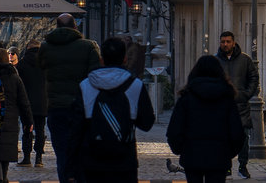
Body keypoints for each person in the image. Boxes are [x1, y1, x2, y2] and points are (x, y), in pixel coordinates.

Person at [75, 36, 156, 183]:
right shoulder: (135, 86)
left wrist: (71, 167)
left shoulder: (86, 85)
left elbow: (75, 129)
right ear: (124, 59)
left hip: (93, 160)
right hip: (124, 161)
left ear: (101, 59)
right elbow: (147, 123)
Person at [41, 12, 101, 183]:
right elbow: (95, 76)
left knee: (61, 152)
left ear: (57, 27)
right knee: (82, 150)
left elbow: (42, 70)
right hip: (81, 108)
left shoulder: (45, 47)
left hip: (56, 107)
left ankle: (65, 179)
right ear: (75, 27)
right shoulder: (88, 47)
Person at [167, 55, 247, 183]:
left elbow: (174, 131)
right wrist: (228, 153)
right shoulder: (226, 99)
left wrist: (181, 150)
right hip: (219, 157)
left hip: (192, 156)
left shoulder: (186, 98)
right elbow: (237, 132)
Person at [0, 46, 34, 183]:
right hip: (11, 120)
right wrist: (28, 121)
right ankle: (3, 178)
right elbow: (24, 102)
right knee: (5, 154)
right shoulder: (14, 77)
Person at [216, 31, 259, 179]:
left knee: (243, 138)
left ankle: (243, 166)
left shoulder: (245, 60)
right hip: (222, 107)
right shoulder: (216, 61)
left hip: (241, 106)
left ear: (233, 43)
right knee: (223, 139)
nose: (225, 44)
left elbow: (254, 77)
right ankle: (226, 167)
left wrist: (246, 94)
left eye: (228, 41)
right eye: (223, 41)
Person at [15, 41, 48, 167]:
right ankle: (39, 158)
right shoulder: (46, 63)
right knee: (40, 130)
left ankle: (27, 157)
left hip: (26, 102)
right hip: (42, 101)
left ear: (28, 48)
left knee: (27, 129)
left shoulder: (22, 64)